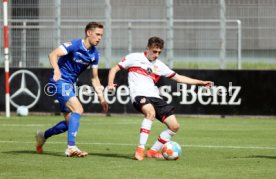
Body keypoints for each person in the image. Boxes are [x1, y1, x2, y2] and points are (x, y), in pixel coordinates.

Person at [108, 37, 213, 160]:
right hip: (139, 95)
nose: (156, 55)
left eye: (159, 52)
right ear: (147, 49)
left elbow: (179, 78)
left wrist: (201, 83)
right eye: (154, 51)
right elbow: (114, 69)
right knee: (150, 113)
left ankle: (152, 151)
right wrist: (110, 83)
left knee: (174, 126)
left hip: (155, 97)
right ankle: (140, 149)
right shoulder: (133, 57)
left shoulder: (159, 65)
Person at [35, 22, 109, 157]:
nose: (99, 38)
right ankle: (71, 147)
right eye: (97, 34)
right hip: (59, 82)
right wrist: (56, 70)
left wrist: (102, 97)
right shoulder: (74, 45)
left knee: (70, 124)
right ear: (88, 33)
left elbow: (95, 78)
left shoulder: (94, 54)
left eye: (101, 35)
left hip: (70, 85)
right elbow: (53, 54)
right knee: (78, 109)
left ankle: (43, 135)